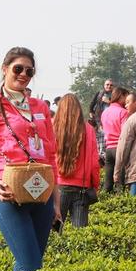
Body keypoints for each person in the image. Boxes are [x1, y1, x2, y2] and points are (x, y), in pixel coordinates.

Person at [0, 47, 61, 271]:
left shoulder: (40, 107)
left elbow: (50, 156)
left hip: (43, 193)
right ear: (4, 69)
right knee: (29, 263)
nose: (23, 75)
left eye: (29, 71)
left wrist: (57, 201)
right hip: (10, 192)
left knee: (34, 266)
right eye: (18, 69)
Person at [54, 93, 100, 227]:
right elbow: (94, 163)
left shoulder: (53, 128)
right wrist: (95, 185)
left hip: (58, 186)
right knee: (80, 235)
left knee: (54, 232)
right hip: (82, 188)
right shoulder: (88, 130)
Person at [100, 86, 129, 193]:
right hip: (119, 148)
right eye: (126, 97)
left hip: (108, 149)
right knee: (120, 185)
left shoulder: (105, 113)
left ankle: (104, 204)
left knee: (107, 184)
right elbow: (125, 133)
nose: (127, 100)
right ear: (120, 96)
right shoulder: (123, 112)